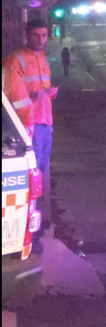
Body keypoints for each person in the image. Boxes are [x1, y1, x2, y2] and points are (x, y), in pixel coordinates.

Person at [2, 19, 58, 222]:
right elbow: (12, 98)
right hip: (27, 126)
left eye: (44, 35)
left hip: (43, 122)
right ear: (27, 34)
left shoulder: (42, 58)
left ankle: (35, 219)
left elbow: (39, 91)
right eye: (36, 35)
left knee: (39, 172)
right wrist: (26, 126)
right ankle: (27, 223)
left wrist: (51, 93)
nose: (40, 39)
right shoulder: (14, 60)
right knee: (29, 176)